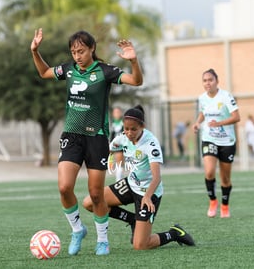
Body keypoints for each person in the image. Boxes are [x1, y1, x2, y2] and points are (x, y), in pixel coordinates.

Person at [30, 28, 143, 255]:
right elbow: (44, 73)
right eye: (73, 52)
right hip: (71, 136)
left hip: (97, 138)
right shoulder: (69, 69)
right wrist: (35, 51)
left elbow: (136, 81)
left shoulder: (105, 71)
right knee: (64, 187)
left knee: (96, 194)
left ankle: (102, 240)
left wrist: (134, 61)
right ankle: (77, 229)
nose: (77, 56)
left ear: (92, 49)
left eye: (81, 51)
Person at [83, 105, 195, 250]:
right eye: (126, 128)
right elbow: (107, 150)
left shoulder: (151, 144)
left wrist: (147, 197)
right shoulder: (123, 138)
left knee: (141, 245)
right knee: (90, 202)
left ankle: (174, 234)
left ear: (142, 126)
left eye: (133, 129)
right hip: (131, 184)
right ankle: (132, 219)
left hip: (149, 192)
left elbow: (157, 178)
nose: (129, 133)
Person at [192, 69, 240, 218]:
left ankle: (225, 205)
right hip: (209, 138)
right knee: (209, 171)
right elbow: (203, 113)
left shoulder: (226, 96)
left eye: (210, 80)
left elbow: (236, 117)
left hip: (227, 141)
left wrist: (219, 123)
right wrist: (197, 123)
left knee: (225, 178)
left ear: (217, 81)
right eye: (205, 80)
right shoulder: (202, 98)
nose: (208, 83)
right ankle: (213, 201)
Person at [110, 107, 124, 181]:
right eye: (115, 112)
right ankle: (118, 180)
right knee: (119, 163)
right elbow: (111, 136)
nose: (117, 114)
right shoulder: (112, 123)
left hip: (126, 145)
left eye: (118, 112)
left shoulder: (123, 122)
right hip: (118, 146)